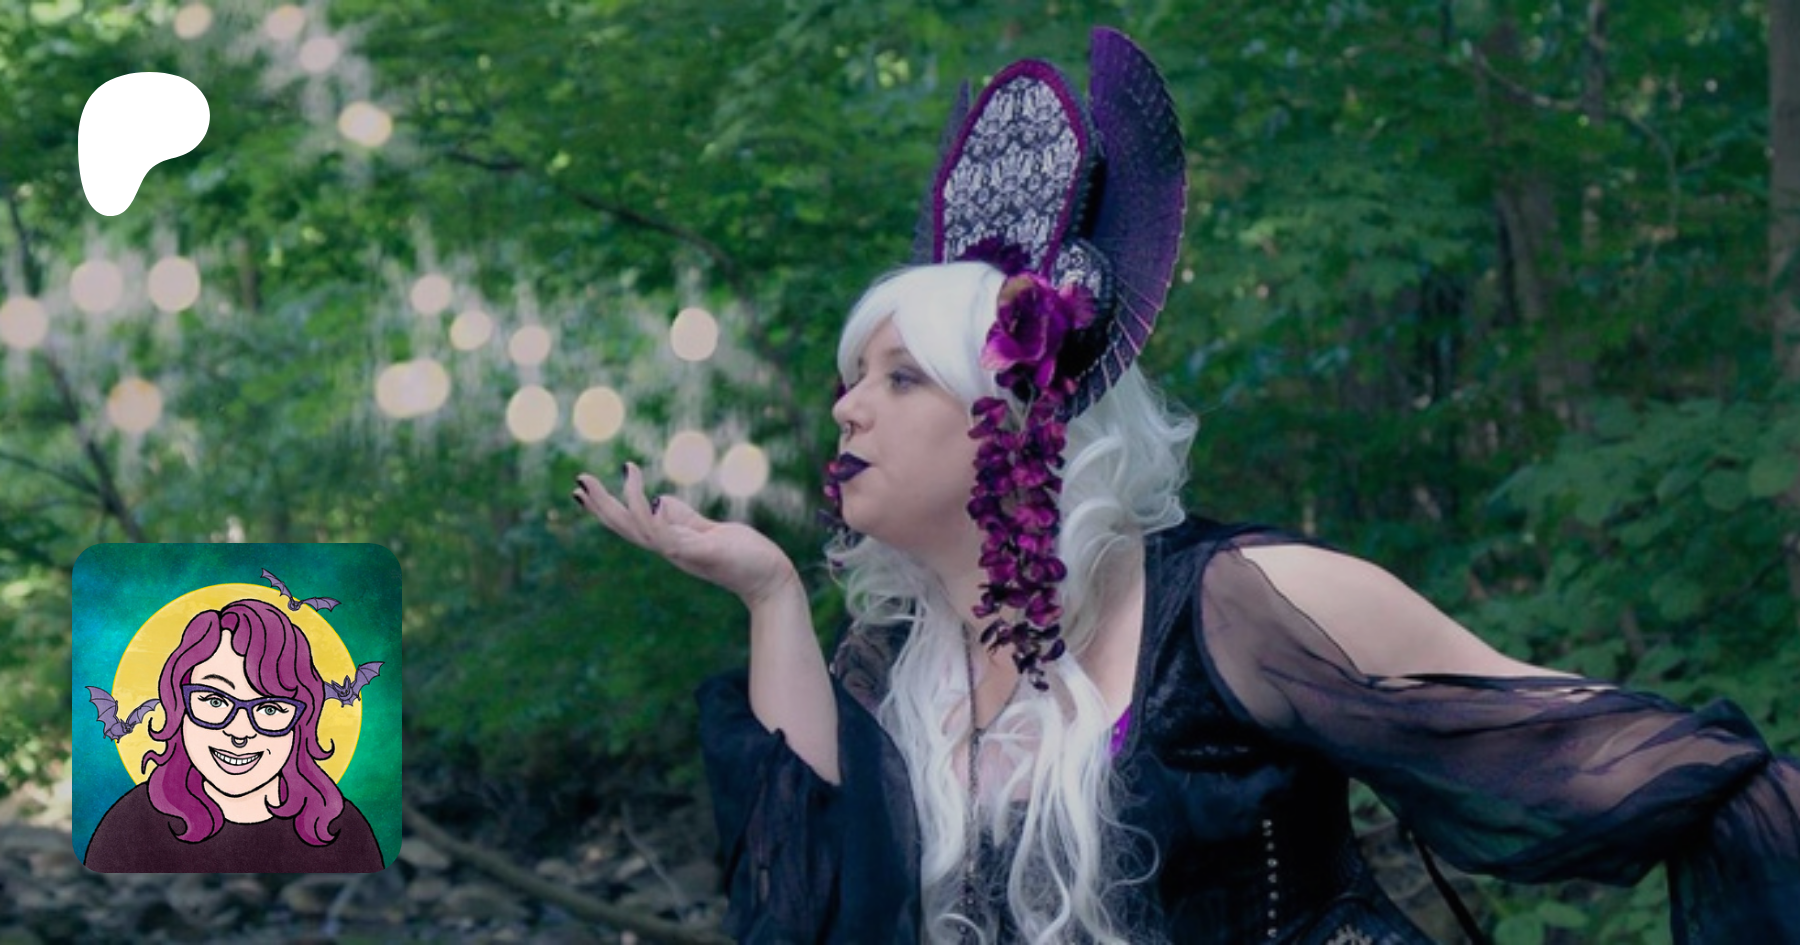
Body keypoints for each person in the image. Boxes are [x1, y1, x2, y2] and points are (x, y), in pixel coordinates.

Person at [572, 28, 1800, 944]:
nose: (847, 408)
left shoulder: (1236, 605)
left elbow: (1588, 752)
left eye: (899, 379)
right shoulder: (892, 668)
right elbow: (801, 908)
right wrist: (771, 597)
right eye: (852, 378)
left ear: (1016, 416)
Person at [83, 598, 384, 873]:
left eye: (269, 708)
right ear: (178, 709)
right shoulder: (129, 827)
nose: (240, 733)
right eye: (214, 701)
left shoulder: (343, 831)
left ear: (301, 723)